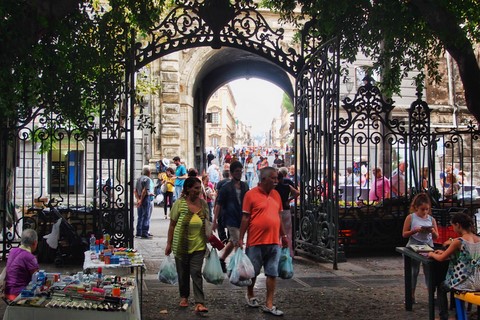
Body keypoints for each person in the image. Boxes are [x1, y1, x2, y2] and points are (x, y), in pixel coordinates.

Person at [239, 167, 288, 316]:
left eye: (277, 178)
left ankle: (269, 303)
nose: (276, 181)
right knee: (252, 272)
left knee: (272, 273)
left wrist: (284, 236)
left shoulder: (276, 195)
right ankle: (251, 294)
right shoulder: (250, 195)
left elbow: (278, 217)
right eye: (273, 178)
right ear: (264, 179)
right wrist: (241, 238)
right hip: (255, 241)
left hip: (274, 241)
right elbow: (245, 218)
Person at [165, 177, 209, 314]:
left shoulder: (204, 204)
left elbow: (208, 221)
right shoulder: (179, 204)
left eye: (199, 187)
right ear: (188, 189)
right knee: (183, 272)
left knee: (196, 272)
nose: (198, 190)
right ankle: (184, 296)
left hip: (199, 245)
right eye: (195, 188)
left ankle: (199, 302)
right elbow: (172, 225)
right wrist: (169, 243)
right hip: (180, 244)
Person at [428, 212, 480, 320]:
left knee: (442, 287)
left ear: (458, 225)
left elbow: (442, 258)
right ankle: (458, 314)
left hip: (463, 281)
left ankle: (444, 316)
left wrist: (432, 254)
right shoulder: (478, 239)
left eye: (453, 226)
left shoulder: (458, 241)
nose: (453, 228)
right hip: (477, 280)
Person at [402, 193, 439, 303]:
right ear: (416, 207)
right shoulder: (411, 217)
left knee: (429, 272)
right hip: (414, 244)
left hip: (428, 245)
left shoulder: (431, 219)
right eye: (422, 209)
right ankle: (411, 295)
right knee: (414, 271)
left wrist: (432, 231)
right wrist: (414, 231)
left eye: (427, 209)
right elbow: (404, 234)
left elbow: (436, 236)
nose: (424, 212)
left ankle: (431, 295)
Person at [212, 161, 249, 272]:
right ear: (232, 173)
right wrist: (215, 220)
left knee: (233, 241)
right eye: (237, 171)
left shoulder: (245, 186)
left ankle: (221, 259)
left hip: (241, 218)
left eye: (240, 171)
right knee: (238, 241)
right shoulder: (226, 187)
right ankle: (239, 267)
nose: (239, 173)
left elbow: (249, 201)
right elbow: (219, 204)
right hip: (230, 218)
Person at [4, 229, 39, 302]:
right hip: (19, 294)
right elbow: (36, 278)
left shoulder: (12, 251)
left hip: (7, 291)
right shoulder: (30, 257)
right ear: (35, 243)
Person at [275, 167, 300, 257]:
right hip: (286, 210)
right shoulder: (287, 186)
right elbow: (297, 193)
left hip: (277, 211)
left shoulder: (274, 188)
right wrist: (289, 200)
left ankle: (278, 253)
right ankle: (289, 253)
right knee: (288, 233)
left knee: (277, 233)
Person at [134, 166, 153, 239]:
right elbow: (145, 190)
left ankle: (138, 232)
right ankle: (144, 232)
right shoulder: (147, 179)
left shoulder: (138, 179)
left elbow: (135, 191)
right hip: (145, 198)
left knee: (140, 216)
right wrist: (141, 200)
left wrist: (138, 199)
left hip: (139, 197)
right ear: (148, 172)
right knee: (146, 216)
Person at [214, 170, 231, 243]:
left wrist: (215, 205)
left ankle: (223, 238)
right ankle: (230, 238)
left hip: (221, 205)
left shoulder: (220, 183)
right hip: (230, 206)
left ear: (223, 175)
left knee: (220, 223)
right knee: (230, 222)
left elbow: (217, 195)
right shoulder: (232, 182)